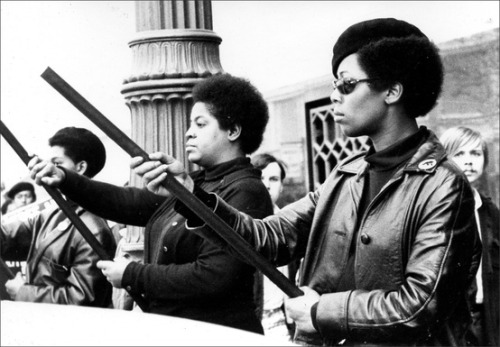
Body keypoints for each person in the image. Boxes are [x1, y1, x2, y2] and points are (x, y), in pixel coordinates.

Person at [147, 18, 480, 345]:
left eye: (347, 85)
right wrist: (192, 195)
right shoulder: (345, 174)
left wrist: (321, 310)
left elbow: (420, 304)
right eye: (334, 84)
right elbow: (268, 237)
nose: (334, 96)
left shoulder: (443, 184)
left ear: (392, 90)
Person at [28, 74, 274, 334]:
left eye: (200, 124)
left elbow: (216, 275)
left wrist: (132, 274)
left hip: (216, 335)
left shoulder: (247, 191)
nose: (189, 133)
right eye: (191, 124)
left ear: (233, 131)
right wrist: (65, 179)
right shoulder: (196, 182)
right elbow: (128, 202)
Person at [1, 127, 116, 306]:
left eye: (56, 163)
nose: (47, 169)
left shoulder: (93, 230)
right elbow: (9, 236)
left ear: (81, 167)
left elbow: (82, 299)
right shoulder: (53, 213)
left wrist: (23, 292)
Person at [440, 126, 499, 346]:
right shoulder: (436, 209)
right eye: (459, 153)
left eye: (475, 154)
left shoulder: (490, 211)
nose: (469, 161)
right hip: (451, 323)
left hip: (487, 318)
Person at [251, 153, 297, 339]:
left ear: (282, 186)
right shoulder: (240, 226)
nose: (267, 185)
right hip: (250, 324)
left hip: (282, 325)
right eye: (261, 178)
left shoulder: (290, 225)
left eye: (274, 179)